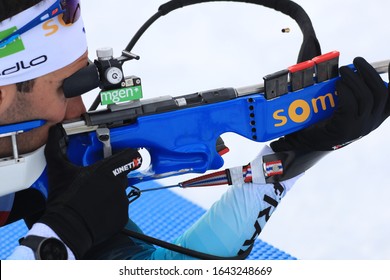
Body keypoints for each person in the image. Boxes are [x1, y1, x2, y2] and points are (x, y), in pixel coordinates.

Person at [1, 0, 389, 260]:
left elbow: (170, 268)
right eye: (66, 89)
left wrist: (297, 151)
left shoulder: (38, 171)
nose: (78, 111)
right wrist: (60, 239)